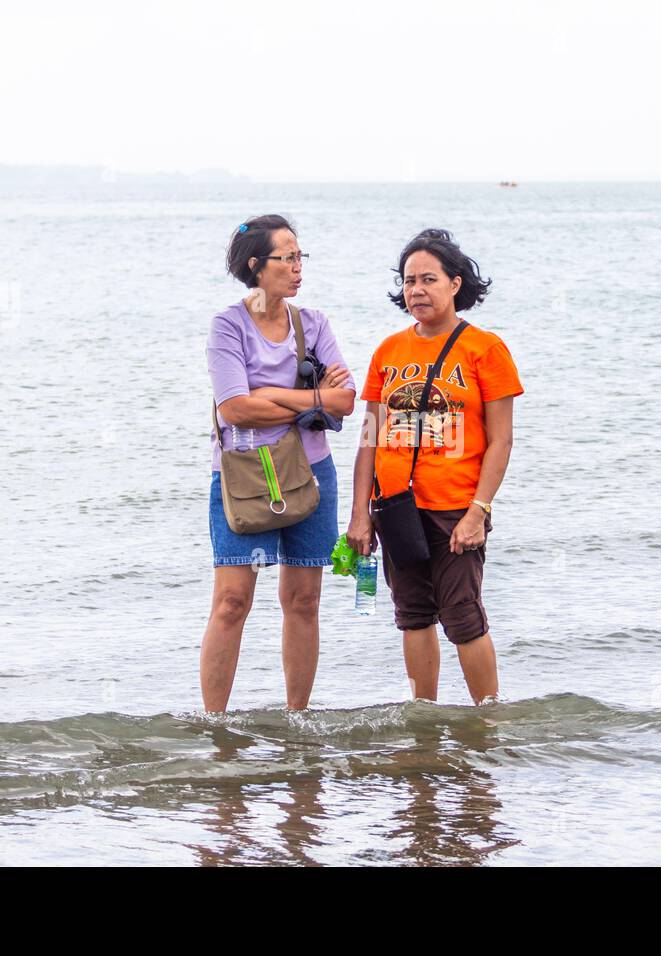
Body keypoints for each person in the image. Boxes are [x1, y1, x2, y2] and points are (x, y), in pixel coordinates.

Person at [346, 229, 522, 704]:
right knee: (413, 614)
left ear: (455, 284)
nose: (417, 290)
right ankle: (423, 715)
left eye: (429, 279)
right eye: (409, 281)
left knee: (463, 616)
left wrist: (478, 511)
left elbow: (501, 439)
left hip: (455, 507)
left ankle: (487, 718)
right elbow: (368, 440)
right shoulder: (388, 352)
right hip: (397, 508)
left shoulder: (485, 349)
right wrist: (360, 513)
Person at [202, 215, 356, 712]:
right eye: (286, 257)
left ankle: (298, 720)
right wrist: (309, 397)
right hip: (244, 473)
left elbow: (346, 400)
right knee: (232, 602)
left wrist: (272, 393)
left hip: (311, 472)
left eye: (299, 256)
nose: (297, 268)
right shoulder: (228, 325)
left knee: (304, 600)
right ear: (256, 265)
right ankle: (215, 725)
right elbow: (233, 407)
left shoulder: (312, 323)